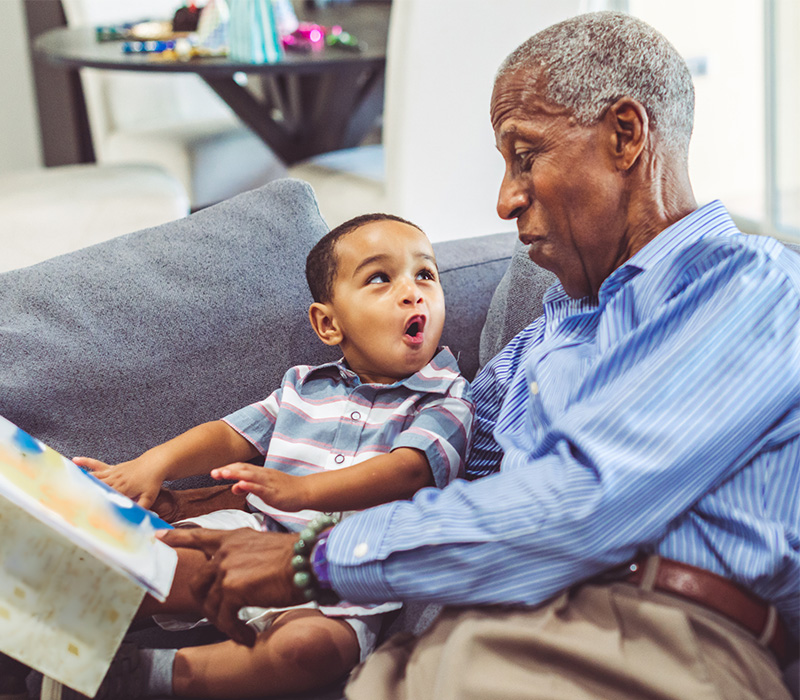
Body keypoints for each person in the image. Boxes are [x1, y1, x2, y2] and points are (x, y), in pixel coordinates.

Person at [160, 10, 799, 700]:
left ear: (625, 135)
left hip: (641, 639)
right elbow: (423, 468)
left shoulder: (752, 288)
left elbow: (581, 504)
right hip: (449, 639)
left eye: (525, 157)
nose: (505, 200)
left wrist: (309, 559)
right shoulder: (540, 342)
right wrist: (213, 508)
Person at [61, 213, 474, 699]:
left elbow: (409, 470)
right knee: (160, 555)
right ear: (328, 323)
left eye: (425, 274)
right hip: (254, 536)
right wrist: (155, 463)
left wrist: (303, 491)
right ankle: (47, 629)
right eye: (380, 279)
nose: (412, 291)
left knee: (310, 650)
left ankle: (141, 675)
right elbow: (231, 434)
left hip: (347, 581)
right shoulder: (303, 386)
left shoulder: (446, 399)